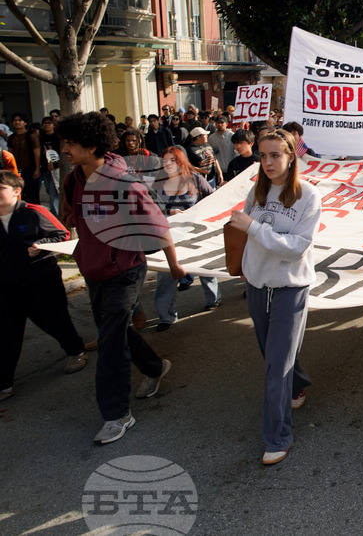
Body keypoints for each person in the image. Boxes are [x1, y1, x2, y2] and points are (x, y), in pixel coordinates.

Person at [58, 112, 185, 444]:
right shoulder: (72, 180)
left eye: (70, 144)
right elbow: (70, 216)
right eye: (64, 143)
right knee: (115, 331)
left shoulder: (124, 184)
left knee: (110, 344)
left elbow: (159, 226)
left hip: (125, 271)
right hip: (93, 270)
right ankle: (155, 367)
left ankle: (116, 415)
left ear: (91, 146)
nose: (64, 149)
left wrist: (174, 266)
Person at [228, 129, 321, 465]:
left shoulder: (308, 195)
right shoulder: (257, 191)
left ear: (291, 157)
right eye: (263, 156)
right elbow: (243, 233)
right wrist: (245, 263)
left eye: (275, 155)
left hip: (290, 288)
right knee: (272, 354)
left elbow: (296, 248)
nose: (268, 162)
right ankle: (297, 386)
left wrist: (254, 228)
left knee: (276, 367)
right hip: (257, 285)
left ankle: (277, 437)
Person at [0, 170, 87, 403]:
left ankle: (76, 351)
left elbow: (63, 234)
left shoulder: (34, 212)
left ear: (16, 192)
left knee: (55, 320)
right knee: (7, 332)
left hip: (41, 280)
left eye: (0, 189)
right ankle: (4, 384)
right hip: (8, 284)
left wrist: (40, 245)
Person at [153, 147, 219, 331]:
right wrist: (169, 212)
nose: (167, 164)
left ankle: (213, 299)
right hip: (168, 238)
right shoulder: (158, 184)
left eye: (172, 160)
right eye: (165, 160)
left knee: (205, 269)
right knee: (165, 276)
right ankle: (166, 317)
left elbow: (213, 201)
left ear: (181, 161)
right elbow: (151, 209)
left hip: (195, 235)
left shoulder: (195, 179)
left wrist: (195, 214)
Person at [8, 113, 41, 204]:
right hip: (16, 170)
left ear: (25, 123)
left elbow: (37, 154)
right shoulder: (11, 137)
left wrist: (37, 169)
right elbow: (9, 154)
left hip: (31, 170)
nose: (17, 122)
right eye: (15, 120)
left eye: (20, 120)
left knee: (32, 196)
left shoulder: (31, 136)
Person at [38, 117, 62, 215]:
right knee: (48, 190)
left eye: (49, 123)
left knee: (54, 193)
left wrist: (56, 164)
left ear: (54, 125)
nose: (47, 125)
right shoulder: (40, 138)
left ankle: (56, 215)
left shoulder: (58, 138)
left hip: (56, 169)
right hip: (44, 168)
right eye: (44, 123)